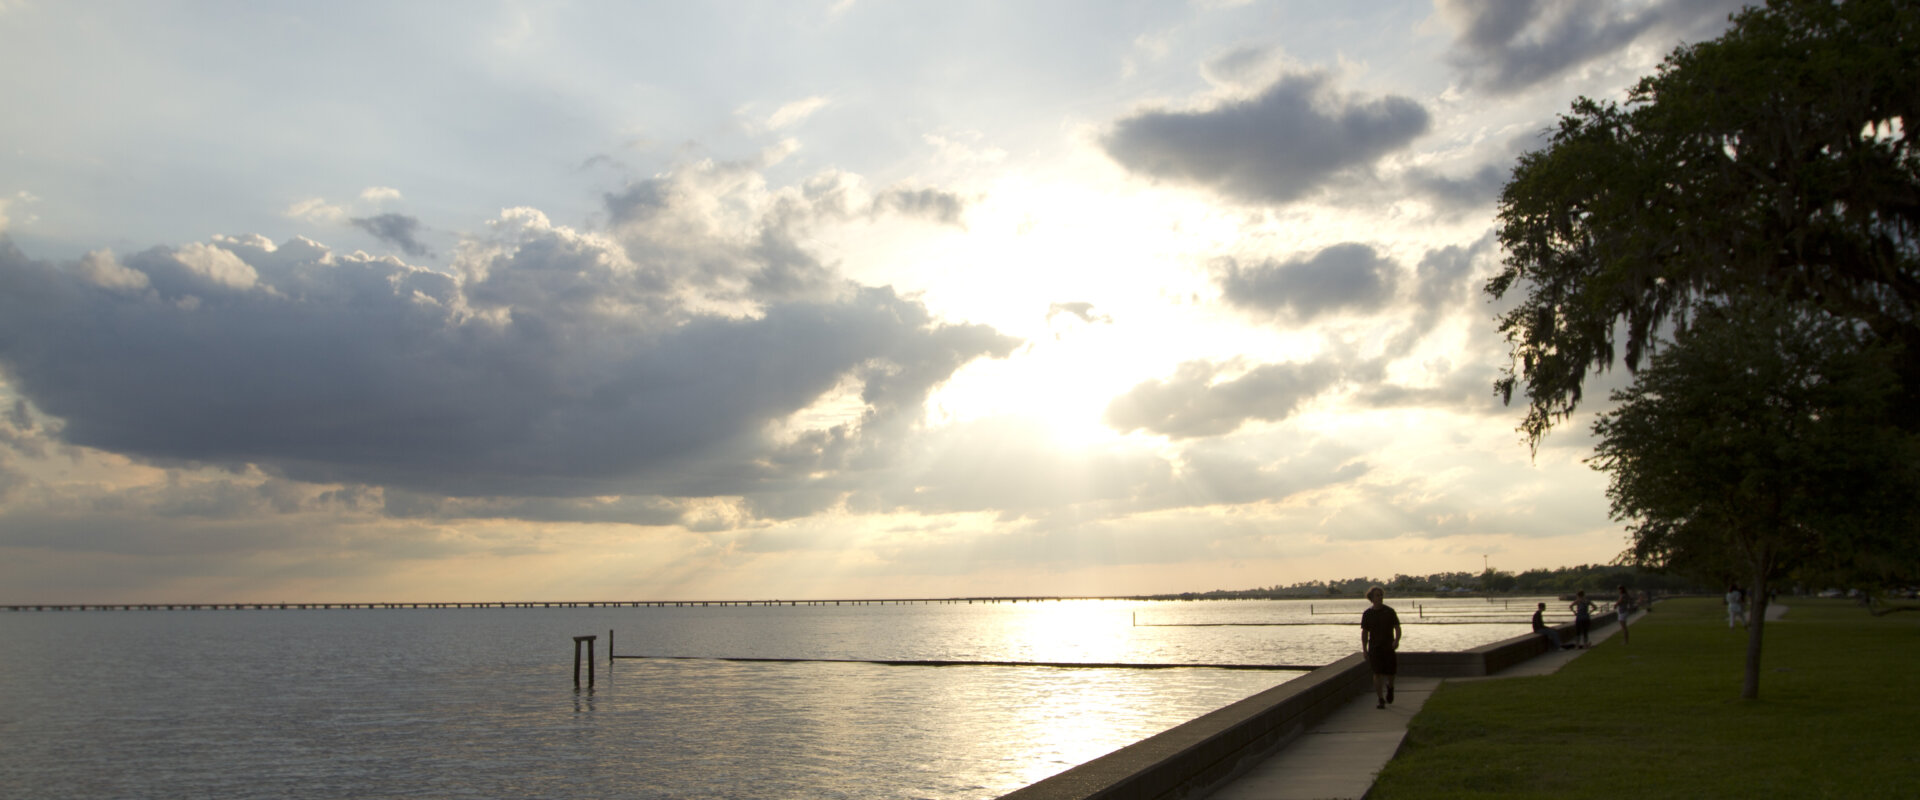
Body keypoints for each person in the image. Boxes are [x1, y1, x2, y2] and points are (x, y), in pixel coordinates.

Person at [1360, 586, 1402, 709]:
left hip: (1388, 646)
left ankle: (1390, 687)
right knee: (1377, 673)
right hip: (1374, 648)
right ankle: (1380, 699)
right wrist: (1364, 649)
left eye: (1381, 595)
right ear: (1371, 598)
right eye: (1377, 595)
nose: (1380, 598)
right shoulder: (1367, 614)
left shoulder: (1389, 611)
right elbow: (1365, 633)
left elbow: (1397, 628)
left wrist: (1396, 640)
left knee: (1390, 673)